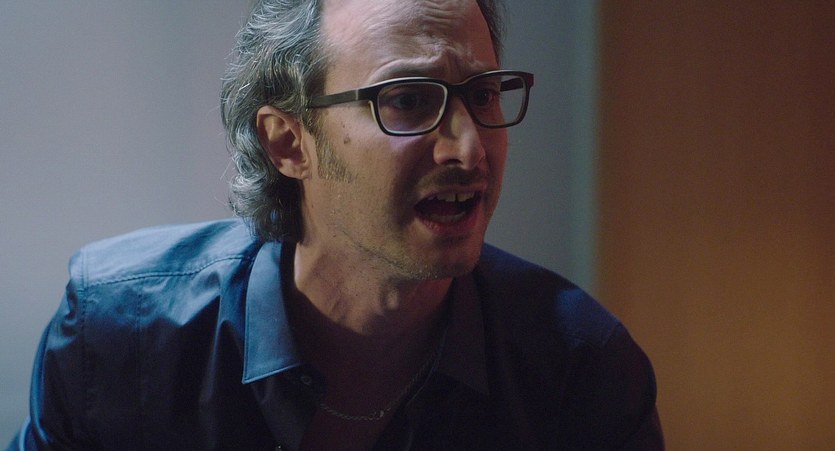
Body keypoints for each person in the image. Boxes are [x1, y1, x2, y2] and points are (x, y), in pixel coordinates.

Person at [9, 0, 663, 449]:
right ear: (288, 142)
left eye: (482, 93)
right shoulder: (117, 338)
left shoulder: (578, 370)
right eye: (408, 100)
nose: (469, 149)